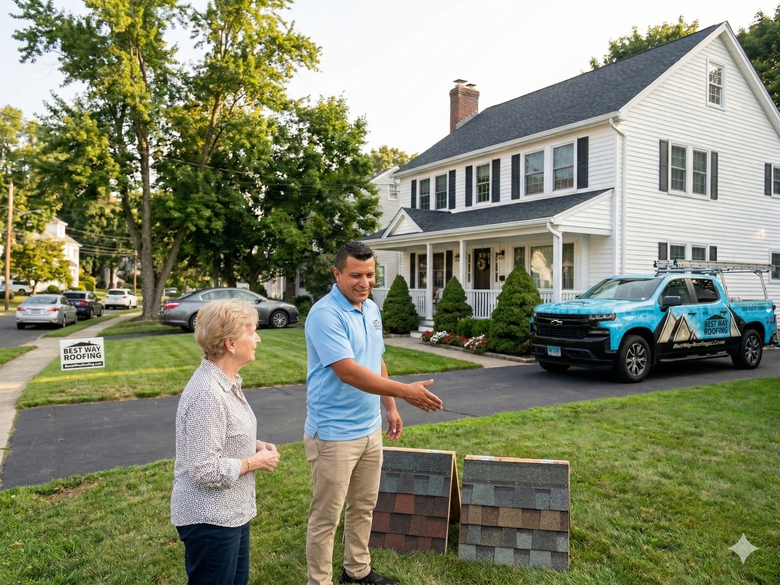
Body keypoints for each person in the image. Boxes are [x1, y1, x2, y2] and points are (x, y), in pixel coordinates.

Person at [304, 241, 443, 585]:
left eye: (369, 274)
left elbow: (376, 359)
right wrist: (405, 391)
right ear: (337, 274)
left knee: (364, 507)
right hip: (333, 434)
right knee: (327, 517)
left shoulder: (370, 309)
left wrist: (391, 407)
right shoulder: (325, 315)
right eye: (355, 275)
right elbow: (348, 371)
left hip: (369, 430)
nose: (364, 282)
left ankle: (357, 571)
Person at [171, 298, 280, 585]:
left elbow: (221, 432)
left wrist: (252, 443)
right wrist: (254, 462)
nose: (257, 338)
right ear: (230, 343)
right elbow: (204, 470)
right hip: (210, 519)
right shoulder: (208, 393)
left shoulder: (227, 380)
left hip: (231, 513)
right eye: (251, 332)